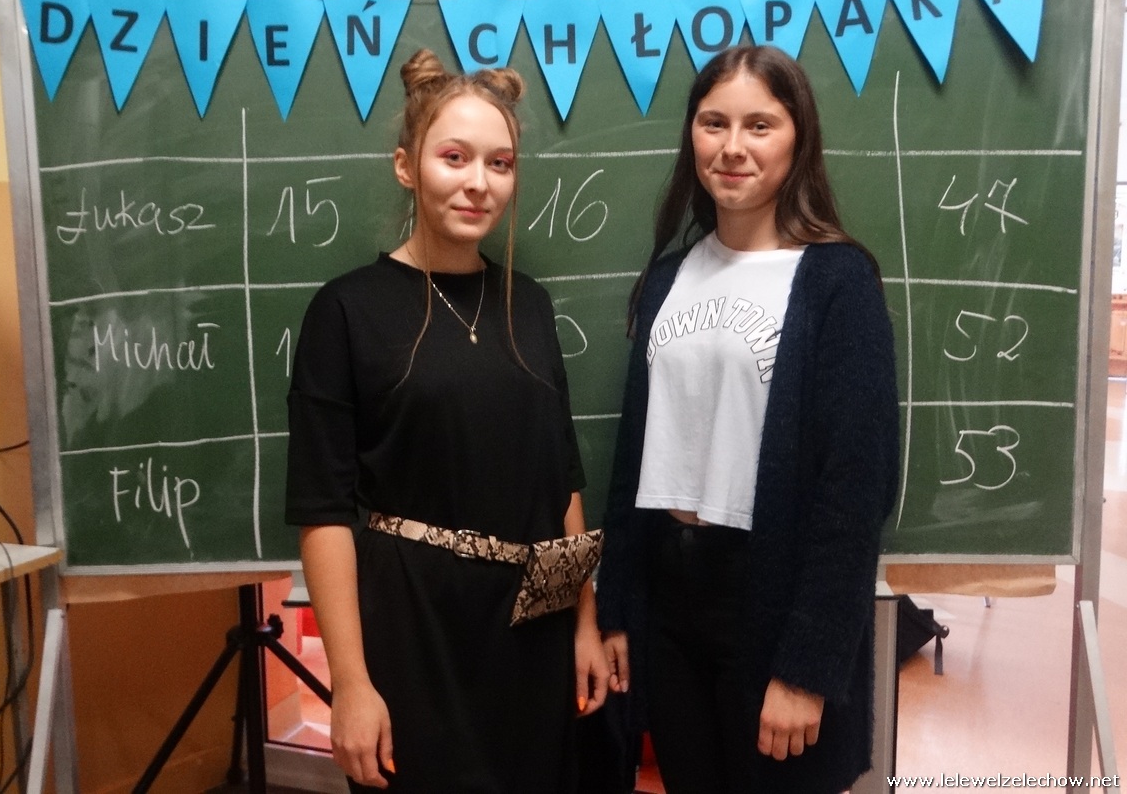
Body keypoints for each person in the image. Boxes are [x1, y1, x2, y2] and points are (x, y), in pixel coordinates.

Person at [285, 48, 609, 793]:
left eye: (500, 164)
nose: (478, 182)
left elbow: (562, 477)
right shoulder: (346, 310)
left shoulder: (530, 305)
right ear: (407, 166)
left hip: (534, 628)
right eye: (454, 157)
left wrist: (585, 623)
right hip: (412, 630)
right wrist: (350, 684)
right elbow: (323, 512)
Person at [595, 45, 900, 794]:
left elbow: (854, 488)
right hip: (670, 599)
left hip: (770, 596)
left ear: (798, 139)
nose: (733, 147)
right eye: (714, 123)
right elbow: (635, 455)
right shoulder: (669, 276)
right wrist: (618, 608)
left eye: (760, 125)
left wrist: (807, 668)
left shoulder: (837, 281)